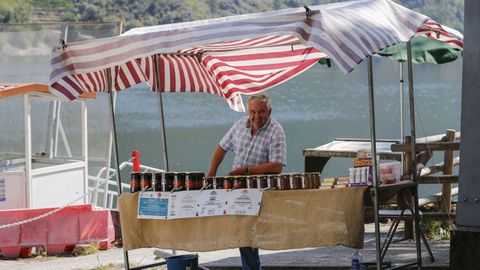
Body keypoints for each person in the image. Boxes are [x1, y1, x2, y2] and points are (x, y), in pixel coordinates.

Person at [207, 93, 287, 270]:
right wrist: (211, 174)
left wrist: (245, 171)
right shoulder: (239, 125)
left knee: (247, 233)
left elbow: (277, 166)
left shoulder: (276, 131)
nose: (256, 116)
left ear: (269, 111)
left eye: (261, 112)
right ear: (248, 111)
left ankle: (251, 268)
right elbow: (221, 148)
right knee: (243, 234)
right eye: (253, 112)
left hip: (260, 191)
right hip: (236, 187)